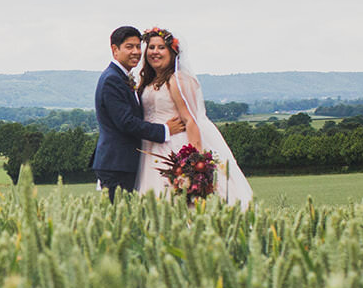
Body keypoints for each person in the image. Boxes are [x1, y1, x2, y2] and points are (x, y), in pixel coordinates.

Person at [135, 26, 254, 206]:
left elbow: (191, 120)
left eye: (161, 47)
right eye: (151, 47)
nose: (155, 52)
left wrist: (194, 165)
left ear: (172, 52)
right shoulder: (149, 81)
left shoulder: (177, 80)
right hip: (151, 148)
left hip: (173, 146)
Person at [92, 25, 185, 199]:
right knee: (120, 219)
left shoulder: (122, 76)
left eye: (137, 46)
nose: (135, 51)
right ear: (115, 50)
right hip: (116, 164)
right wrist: (165, 130)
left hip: (124, 163)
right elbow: (126, 122)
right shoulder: (112, 79)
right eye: (129, 47)